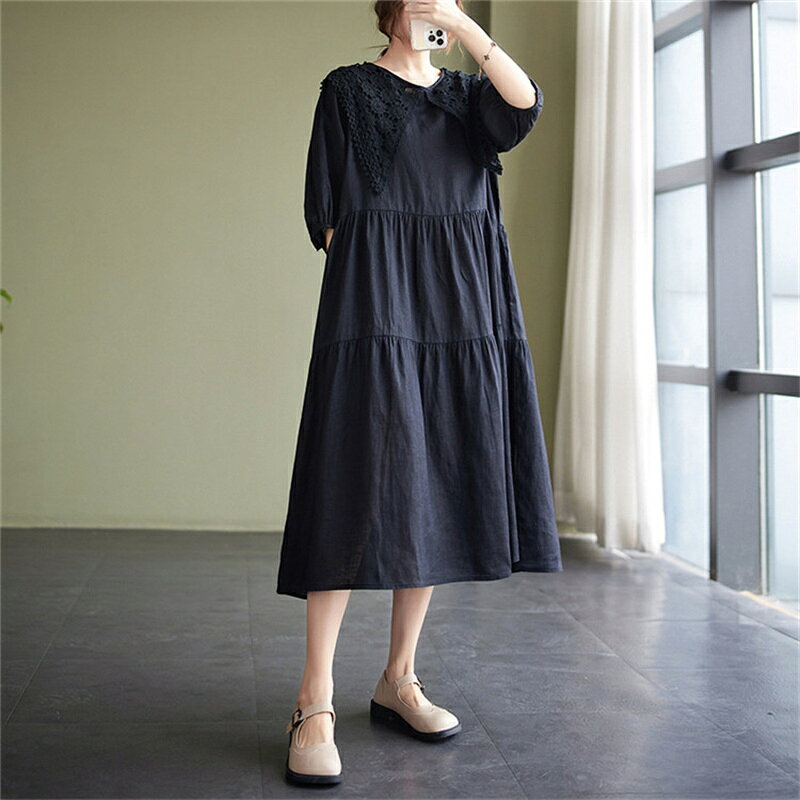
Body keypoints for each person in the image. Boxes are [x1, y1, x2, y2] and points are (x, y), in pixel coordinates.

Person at [277, 0, 563, 785]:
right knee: (349, 481)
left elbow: (525, 105)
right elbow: (326, 212)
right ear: (390, 8)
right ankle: (313, 700)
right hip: (379, 303)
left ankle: (398, 678)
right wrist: (378, 282)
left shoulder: (469, 97)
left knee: (434, 478)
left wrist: (468, 31)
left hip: (462, 306)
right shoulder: (347, 89)